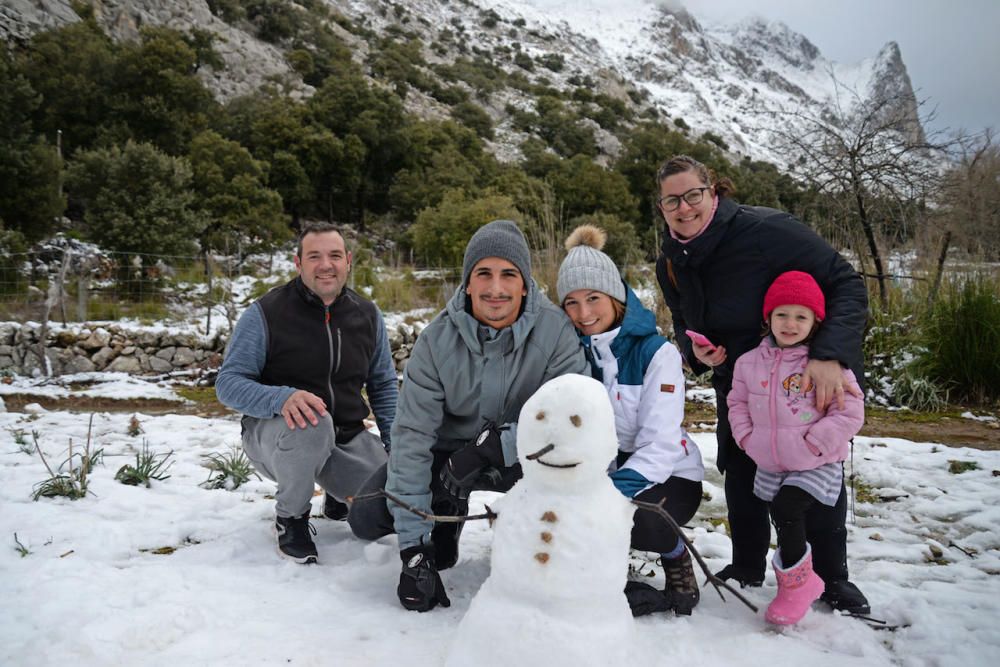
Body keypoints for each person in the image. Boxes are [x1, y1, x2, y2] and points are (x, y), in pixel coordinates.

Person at [654, 155, 872, 615]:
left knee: (816, 479)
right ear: (661, 207)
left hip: (807, 379)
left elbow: (847, 283)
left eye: (693, 195)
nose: (684, 207)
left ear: (713, 193)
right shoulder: (671, 261)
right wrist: (696, 351)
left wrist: (829, 354)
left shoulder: (767, 231)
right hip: (743, 383)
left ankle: (833, 579)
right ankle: (747, 565)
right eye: (672, 200)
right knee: (741, 472)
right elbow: (681, 318)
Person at [348, 219, 589, 612]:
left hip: (524, 455)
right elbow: (411, 438)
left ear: (525, 284)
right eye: (484, 274)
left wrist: (496, 446)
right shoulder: (435, 341)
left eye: (508, 274)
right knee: (366, 515)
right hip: (447, 457)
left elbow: (572, 418)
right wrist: (413, 550)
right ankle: (446, 511)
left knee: (569, 494)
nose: (496, 288)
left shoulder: (555, 332)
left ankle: (538, 536)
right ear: (468, 283)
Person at [216, 222, 398, 565]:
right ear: (298, 263)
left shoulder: (368, 315)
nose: (325, 265)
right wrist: (281, 398)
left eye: (334, 256)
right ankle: (291, 518)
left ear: (348, 261)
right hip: (278, 436)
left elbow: (384, 385)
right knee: (312, 422)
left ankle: (336, 494)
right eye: (314, 256)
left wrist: (397, 445)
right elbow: (228, 384)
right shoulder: (266, 313)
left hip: (346, 437)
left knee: (387, 514)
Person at [557, 224, 705, 617]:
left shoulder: (657, 354)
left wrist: (605, 496)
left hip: (670, 473)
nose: (584, 313)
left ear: (615, 295)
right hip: (603, 469)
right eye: (571, 303)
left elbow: (660, 445)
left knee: (643, 523)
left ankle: (675, 554)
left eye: (593, 298)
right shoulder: (570, 355)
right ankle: (605, 572)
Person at [727, 271, 865, 625]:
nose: (790, 324)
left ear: (815, 322)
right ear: (768, 318)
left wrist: (815, 443)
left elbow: (850, 411)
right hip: (771, 463)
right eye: (782, 315)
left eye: (801, 316)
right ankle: (800, 579)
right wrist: (747, 439)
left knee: (794, 510)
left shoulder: (824, 364)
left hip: (817, 460)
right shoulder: (748, 363)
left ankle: (801, 586)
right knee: (785, 518)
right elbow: (737, 403)